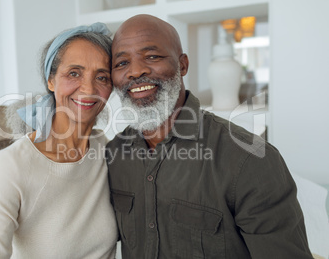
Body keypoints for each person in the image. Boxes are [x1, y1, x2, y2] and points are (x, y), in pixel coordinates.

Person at [106, 14, 313, 258]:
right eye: (121, 63)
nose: (135, 71)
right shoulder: (113, 156)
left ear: (182, 65)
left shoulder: (249, 159)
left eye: (152, 56)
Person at [0, 23, 118, 258]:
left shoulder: (105, 149)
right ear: (50, 80)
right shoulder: (13, 165)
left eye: (101, 77)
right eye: (74, 73)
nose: (88, 88)